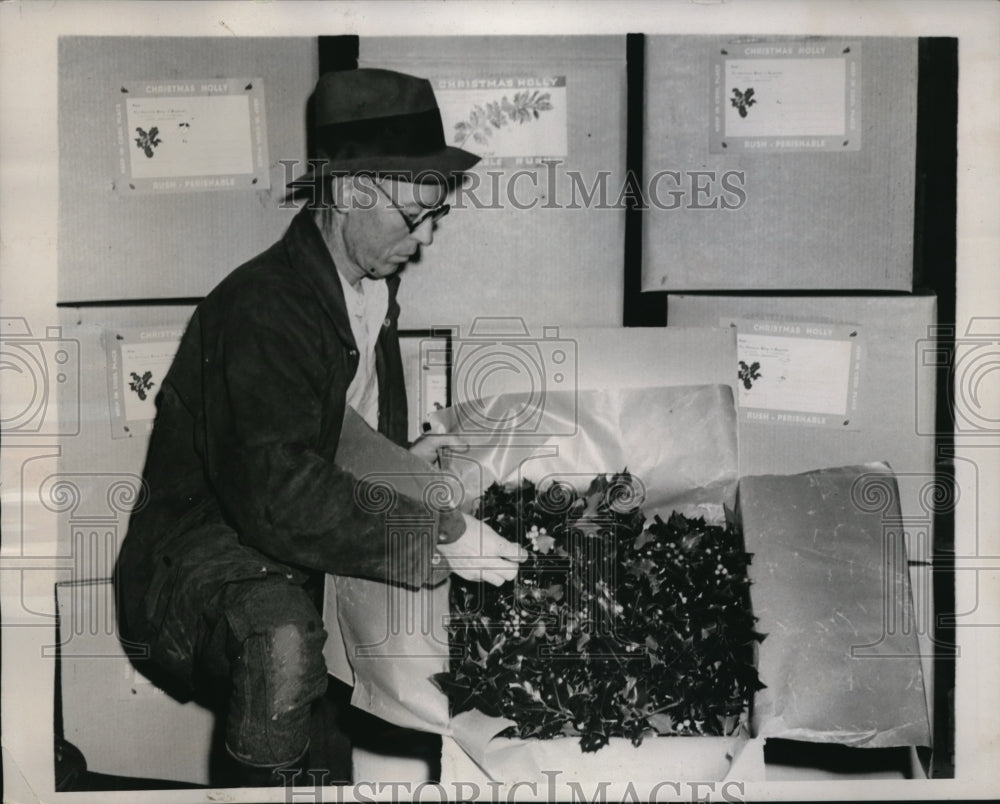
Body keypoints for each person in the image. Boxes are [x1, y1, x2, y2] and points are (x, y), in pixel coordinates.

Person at [114, 68, 526, 788]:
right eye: (412, 218)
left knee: (326, 751)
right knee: (281, 648)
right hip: (208, 553)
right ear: (349, 193)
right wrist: (439, 533)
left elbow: (331, 424)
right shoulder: (263, 309)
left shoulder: (364, 287)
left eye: (435, 217)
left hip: (294, 538)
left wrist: (405, 465)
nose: (424, 239)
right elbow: (278, 492)